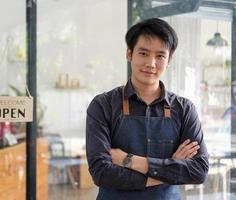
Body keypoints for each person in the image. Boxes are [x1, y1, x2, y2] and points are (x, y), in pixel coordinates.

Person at [86, 18, 209, 200]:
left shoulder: (184, 109)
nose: (151, 63)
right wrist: (171, 168)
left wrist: (130, 161)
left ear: (169, 60)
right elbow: (101, 172)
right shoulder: (103, 105)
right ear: (129, 54)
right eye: (143, 53)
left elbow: (199, 171)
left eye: (160, 56)